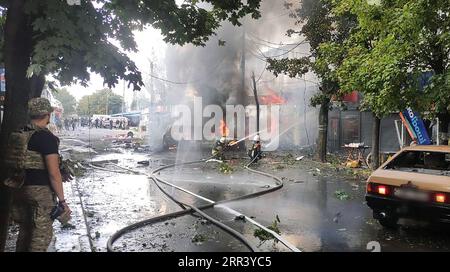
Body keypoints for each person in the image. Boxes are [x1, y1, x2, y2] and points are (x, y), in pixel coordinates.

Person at [9, 98, 72, 252]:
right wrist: (62, 201)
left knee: (25, 232)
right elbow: (53, 173)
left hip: (19, 190)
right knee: (40, 237)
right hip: (39, 194)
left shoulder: (19, 134)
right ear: (47, 115)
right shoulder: (46, 137)